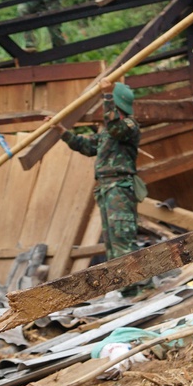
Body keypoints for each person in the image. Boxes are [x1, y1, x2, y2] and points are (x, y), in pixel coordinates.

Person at [59, 80, 141, 261]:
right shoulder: (107, 132)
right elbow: (87, 146)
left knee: (122, 236)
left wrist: (107, 95)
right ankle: (126, 287)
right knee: (111, 241)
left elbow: (114, 128)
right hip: (106, 188)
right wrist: (62, 132)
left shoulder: (129, 125)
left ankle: (138, 285)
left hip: (119, 186)